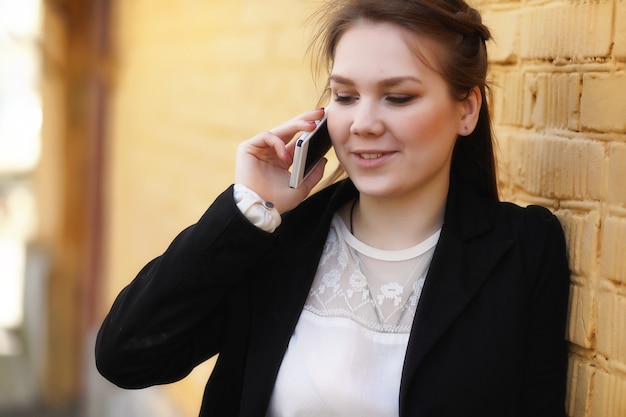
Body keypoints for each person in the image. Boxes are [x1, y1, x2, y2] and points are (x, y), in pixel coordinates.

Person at [95, 0, 571, 416]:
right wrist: (249, 209)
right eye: (345, 96)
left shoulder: (523, 250)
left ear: (466, 109)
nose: (362, 123)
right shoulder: (279, 242)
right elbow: (126, 356)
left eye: (398, 97)